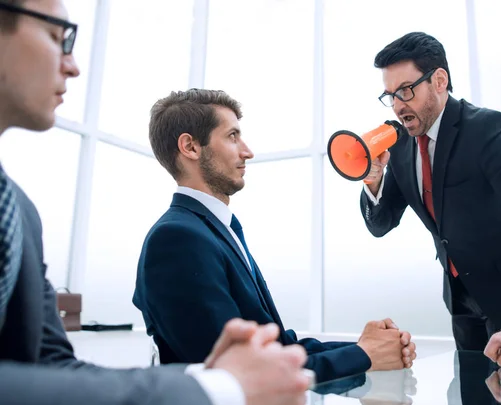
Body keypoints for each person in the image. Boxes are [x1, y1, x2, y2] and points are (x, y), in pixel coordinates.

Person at [0, 1, 311, 404]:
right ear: (190, 147)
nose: (73, 65)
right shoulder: (177, 237)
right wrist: (218, 386)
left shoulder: (22, 214)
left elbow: (50, 365)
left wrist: (222, 379)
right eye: (57, 36)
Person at [132, 88, 417, 384]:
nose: (247, 151)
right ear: (190, 147)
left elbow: (277, 347)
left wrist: (368, 348)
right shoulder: (177, 240)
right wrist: (366, 355)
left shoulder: (211, 231)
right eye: (232, 136)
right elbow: (234, 371)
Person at [358, 32, 501, 369]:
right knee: (469, 392)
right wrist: (373, 181)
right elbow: (381, 224)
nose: (399, 105)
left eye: (405, 90)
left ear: (439, 80)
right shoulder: (401, 145)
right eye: (390, 95)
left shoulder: (485, 130)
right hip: (460, 298)